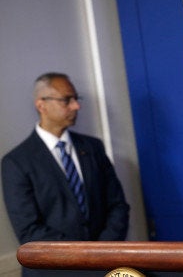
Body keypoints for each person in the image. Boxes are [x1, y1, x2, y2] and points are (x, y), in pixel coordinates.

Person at [1, 72, 129, 248]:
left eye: (76, 99)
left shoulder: (93, 148)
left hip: (103, 264)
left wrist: (102, 251)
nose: (76, 106)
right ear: (41, 105)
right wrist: (83, 255)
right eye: (67, 100)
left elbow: (118, 206)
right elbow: (29, 231)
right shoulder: (16, 162)